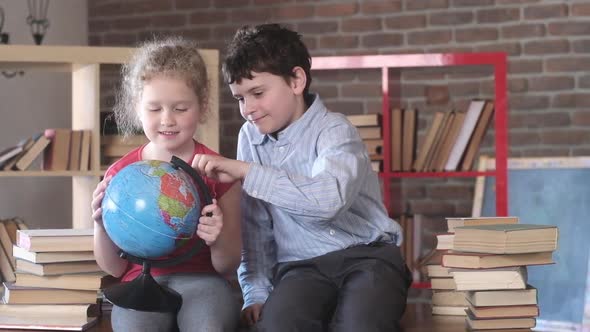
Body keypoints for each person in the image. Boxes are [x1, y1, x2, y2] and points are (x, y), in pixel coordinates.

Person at [192, 24, 413, 332]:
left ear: (296, 80)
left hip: (368, 257)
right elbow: (255, 223)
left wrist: (246, 171)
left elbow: (328, 202)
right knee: (277, 326)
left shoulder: (335, 130)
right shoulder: (250, 137)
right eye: (240, 98)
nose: (248, 109)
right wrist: (255, 291)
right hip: (300, 268)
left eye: (257, 93)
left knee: (359, 325)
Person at [91, 37, 242, 332]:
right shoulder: (120, 174)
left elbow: (228, 265)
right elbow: (114, 268)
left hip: (204, 281)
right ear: (137, 107)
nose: (167, 120)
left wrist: (217, 238)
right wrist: (99, 223)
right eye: (154, 108)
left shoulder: (220, 172)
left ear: (202, 106)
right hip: (140, 281)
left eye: (181, 108)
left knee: (209, 327)